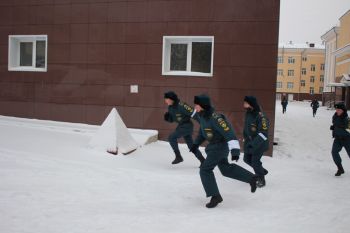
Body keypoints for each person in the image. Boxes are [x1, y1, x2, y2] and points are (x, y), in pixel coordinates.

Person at [190, 94, 257, 208]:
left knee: (205, 170)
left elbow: (229, 133)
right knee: (225, 169)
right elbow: (203, 132)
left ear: (203, 105)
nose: (195, 107)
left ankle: (215, 196)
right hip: (213, 148)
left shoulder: (216, 118)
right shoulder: (202, 117)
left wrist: (235, 151)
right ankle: (252, 178)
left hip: (219, 147)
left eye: (197, 105)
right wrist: (196, 144)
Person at [163, 91, 205, 165]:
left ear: (171, 99)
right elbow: (173, 119)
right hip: (181, 126)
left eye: (166, 99)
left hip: (187, 126)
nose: (165, 101)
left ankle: (178, 156)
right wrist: (168, 118)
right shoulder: (170, 108)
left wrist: (204, 125)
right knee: (191, 146)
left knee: (171, 137)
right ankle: (203, 161)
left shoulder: (182, 106)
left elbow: (195, 114)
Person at [242, 96, 269, 188]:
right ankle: (261, 170)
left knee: (255, 162)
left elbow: (263, 133)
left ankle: (261, 179)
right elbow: (246, 127)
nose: (243, 104)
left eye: (245, 103)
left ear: (251, 104)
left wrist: (253, 144)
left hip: (259, 144)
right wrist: (245, 138)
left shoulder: (261, 117)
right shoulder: (248, 113)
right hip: (249, 142)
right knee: (246, 159)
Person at [330, 102, 350, 176]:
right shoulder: (335, 116)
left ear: (343, 110)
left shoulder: (347, 119)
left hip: (347, 139)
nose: (337, 111)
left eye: (339, 110)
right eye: (336, 109)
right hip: (338, 139)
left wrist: (340, 128)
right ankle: (340, 168)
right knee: (334, 152)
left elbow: (349, 130)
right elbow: (335, 125)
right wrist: (334, 127)